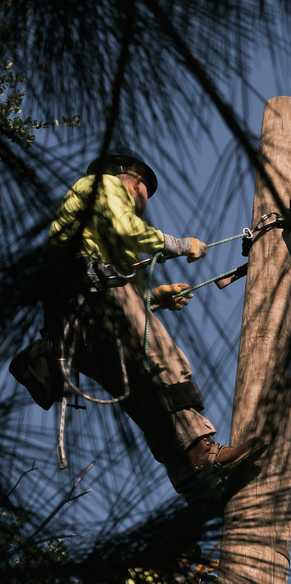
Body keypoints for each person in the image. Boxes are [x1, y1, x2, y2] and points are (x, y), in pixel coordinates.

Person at [9, 150, 260, 495]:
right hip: (92, 298)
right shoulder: (104, 186)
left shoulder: (89, 223)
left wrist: (157, 297)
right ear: (135, 180)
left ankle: (190, 478)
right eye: (145, 191)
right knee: (165, 361)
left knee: (144, 397)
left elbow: (118, 288)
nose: (144, 200)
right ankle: (202, 453)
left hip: (76, 329)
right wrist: (181, 244)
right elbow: (125, 231)